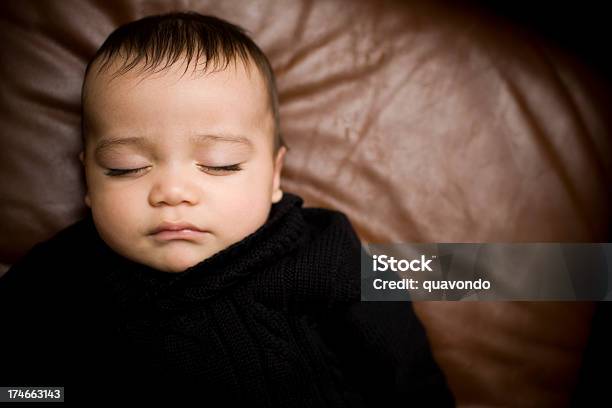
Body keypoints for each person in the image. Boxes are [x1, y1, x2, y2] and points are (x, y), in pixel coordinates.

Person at [0, 11, 454, 406]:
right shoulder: (59, 278)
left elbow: (405, 372)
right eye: (126, 167)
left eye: (220, 164)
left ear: (275, 176)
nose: (173, 192)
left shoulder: (321, 252)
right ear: (89, 182)